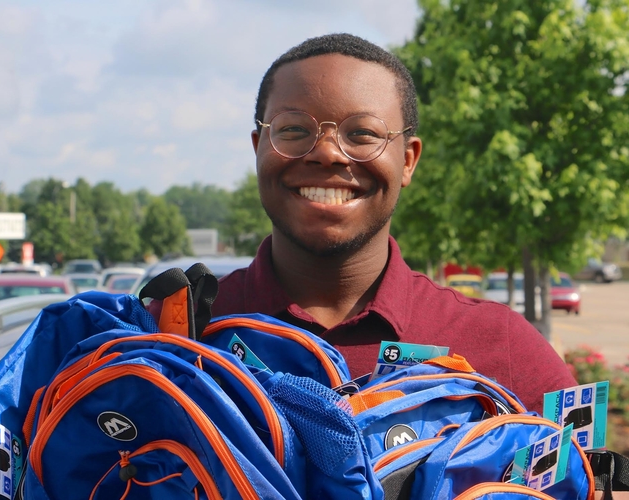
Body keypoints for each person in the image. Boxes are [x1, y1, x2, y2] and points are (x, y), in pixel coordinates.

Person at [208, 33, 576, 415]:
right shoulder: (176, 330)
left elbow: (588, 471)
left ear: (407, 161)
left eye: (363, 134)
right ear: (258, 147)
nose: (328, 153)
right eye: (294, 130)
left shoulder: (500, 343)